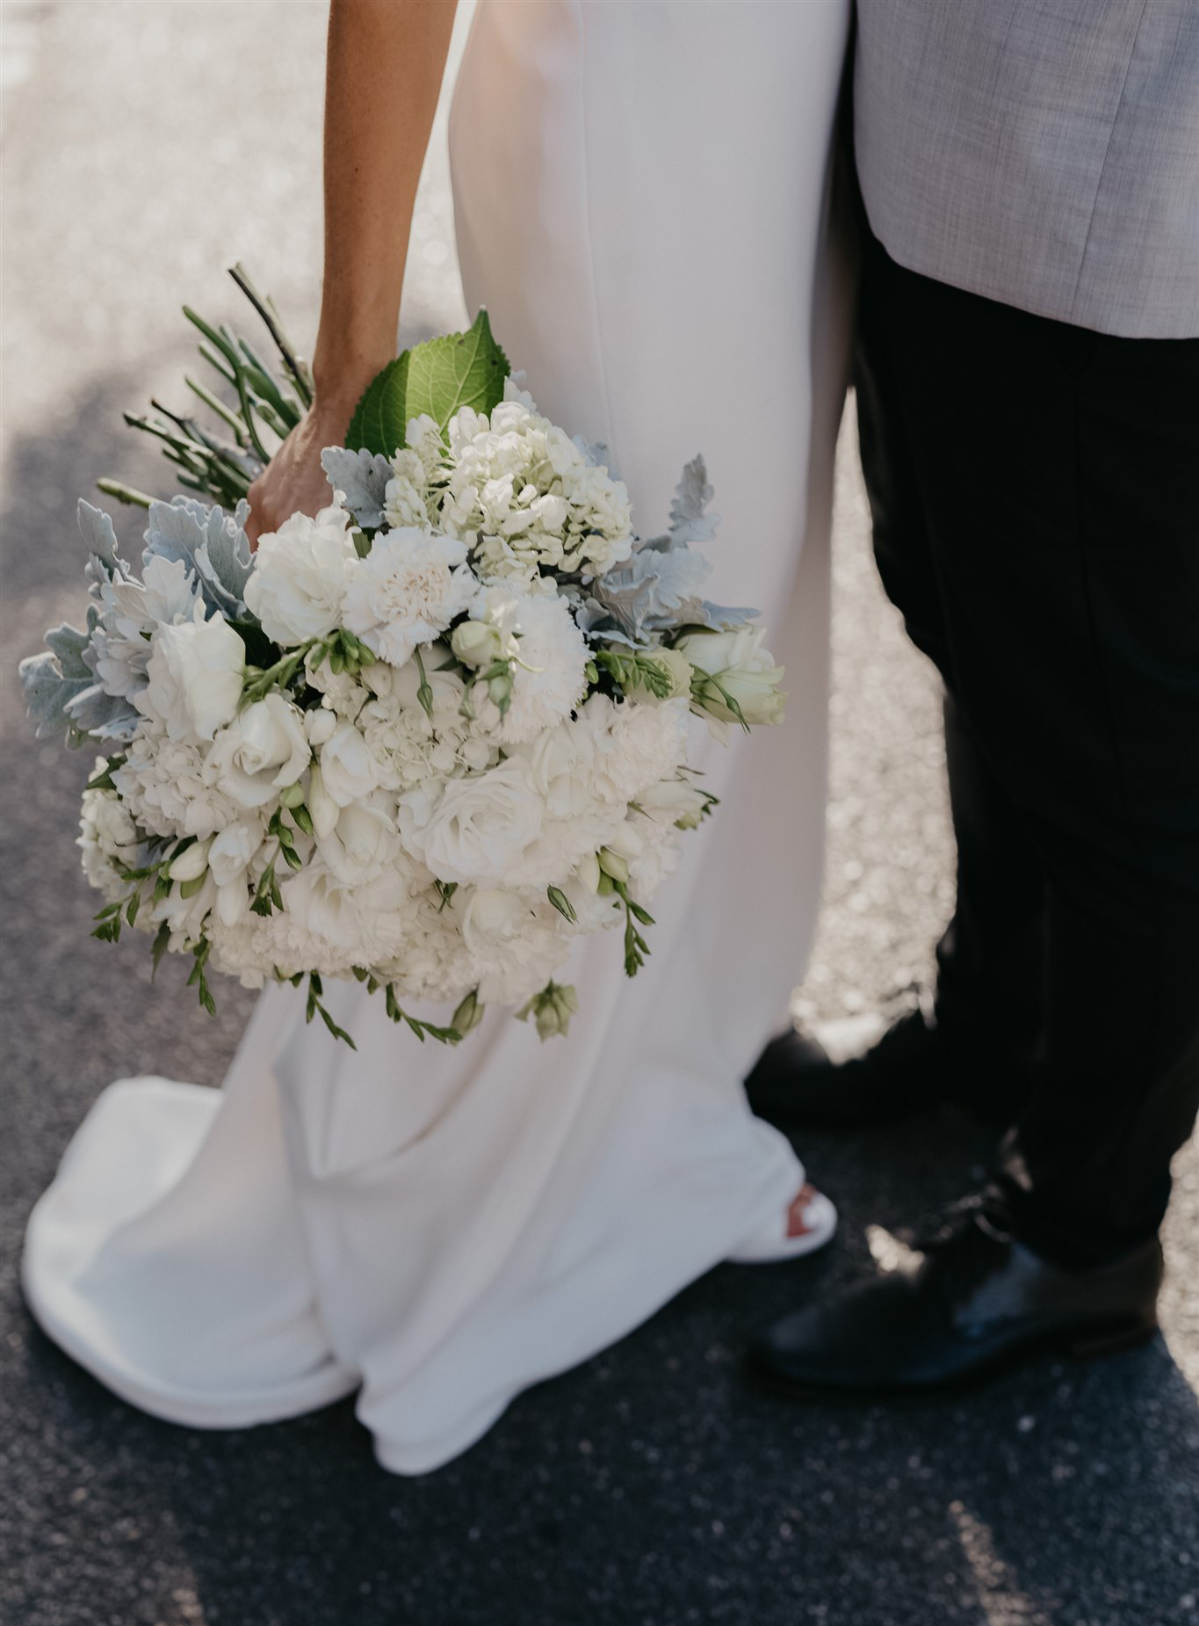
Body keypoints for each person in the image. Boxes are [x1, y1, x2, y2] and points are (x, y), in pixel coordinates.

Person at [22, 0, 853, 1473]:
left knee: (733, 635)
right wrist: (348, 383)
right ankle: (456, 1207)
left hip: (790, 118)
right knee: (618, 677)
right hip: (639, 158)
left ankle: (651, 1102)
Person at [750, 0, 1199, 1394]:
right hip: (943, 138)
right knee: (965, 618)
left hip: (1115, 184)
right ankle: (995, 1028)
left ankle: (1080, 1232)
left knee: (1122, 748)